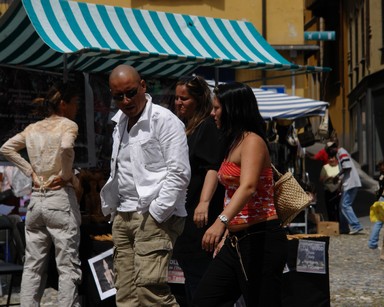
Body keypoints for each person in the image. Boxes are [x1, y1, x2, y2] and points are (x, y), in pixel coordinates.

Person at [100, 65, 191, 306]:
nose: (126, 100)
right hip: (123, 214)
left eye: (130, 92)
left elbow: (179, 172)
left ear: (143, 86)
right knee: (126, 293)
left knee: (150, 292)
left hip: (152, 215)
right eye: (118, 96)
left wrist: (157, 213)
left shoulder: (164, 120)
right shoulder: (119, 122)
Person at [192, 82, 288, 307]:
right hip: (236, 241)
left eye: (217, 108)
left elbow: (248, 187)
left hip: (260, 238)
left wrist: (220, 222)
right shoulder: (234, 141)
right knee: (204, 300)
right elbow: (232, 191)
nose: (212, 113)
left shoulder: (253, 141)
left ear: (233, 109)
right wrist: (226, 233)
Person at [0, 83, 81, 306]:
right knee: (67, 267)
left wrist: (31, 173)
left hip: (37, 200)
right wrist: (65, 175)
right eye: (75, 103)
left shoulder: (33, 128)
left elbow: (6, 148)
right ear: (63, 104)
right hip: (59, 199)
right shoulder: (68, 125)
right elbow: (65, 147)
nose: (77, 108)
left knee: (32, 266)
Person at [172, 75, 226, 305]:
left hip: (199, 217)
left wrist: (204, 202)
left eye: (184, 98)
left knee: (201, 281)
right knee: (193, 281)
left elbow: (212, 167)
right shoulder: (187, 128)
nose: (178, 102)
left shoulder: (205, 128)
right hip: (187, 216)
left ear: (198, 99)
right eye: (176, 98)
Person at [325, 142, 363, 235]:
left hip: (351, 182)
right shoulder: (339, 154)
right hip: (348, 183)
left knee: (345, 205)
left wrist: (337, 177)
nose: (330, 154)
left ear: (333, 148)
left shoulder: (342, 152)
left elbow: (347, 167)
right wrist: (340, 186)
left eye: (329, 151)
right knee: (341, 206)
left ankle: (356, 225)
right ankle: (344, 228)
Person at [319, 155, 341, 223]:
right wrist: (328, 178)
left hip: (338, 190)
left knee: (339, 209)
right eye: (329, 158)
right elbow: (321, 179)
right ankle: (332, 225)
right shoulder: (325, 167)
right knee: (330, 209)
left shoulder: (340, 167)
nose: (331, 160)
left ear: (336, 159)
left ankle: (340, 225)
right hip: (328, 191)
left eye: (332, 158)